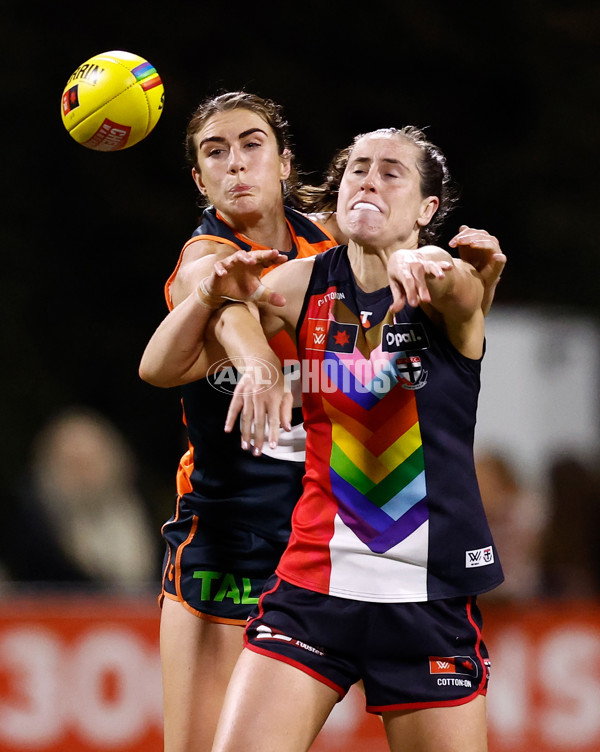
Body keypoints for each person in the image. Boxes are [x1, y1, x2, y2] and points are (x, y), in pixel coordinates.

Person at [139, 93, 506, 752]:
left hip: (408, 572)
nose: (234, 164)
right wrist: (252, 356)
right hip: (256, 539)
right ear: (198, 178)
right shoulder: (251, 267)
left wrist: (450, 271)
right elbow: (205, 326)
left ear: (286, 163)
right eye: (213, 152)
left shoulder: (370, 254)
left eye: (251, 144)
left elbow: (460, 305)